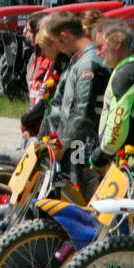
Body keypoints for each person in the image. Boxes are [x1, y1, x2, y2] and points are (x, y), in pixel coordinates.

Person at [40, 10, 109, 199]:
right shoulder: (79, 59)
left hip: (86, 147)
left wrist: (61, 146)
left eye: (55, 41)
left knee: (91, 203)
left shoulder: (88, 63)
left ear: (64, 36)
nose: (56, 47)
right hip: (77, 144)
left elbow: (82, 113)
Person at [90, 18, 134, 178]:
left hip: (130, 161)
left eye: (100, 47)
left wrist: (100, 156)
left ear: (117, 43)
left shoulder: (125, 74)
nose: (98, 53)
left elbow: (118, 125)